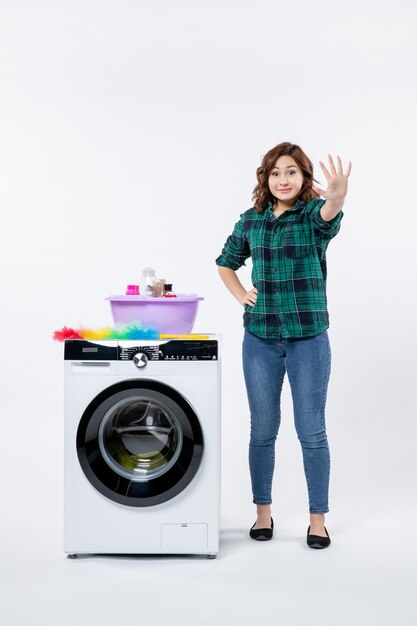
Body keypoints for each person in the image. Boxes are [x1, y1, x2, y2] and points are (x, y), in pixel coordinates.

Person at [216, 141, 351, 549]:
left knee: (311, 431)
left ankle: (317, 520)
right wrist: (241, 294)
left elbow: (330, 212)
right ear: (266, 178)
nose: (283, 179)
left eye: (291, 171)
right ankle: (262, 514)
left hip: (308, 337)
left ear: (304, 176)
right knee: (262, 430)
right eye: (276, 172)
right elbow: (225, 262)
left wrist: (339, 193)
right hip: (259, 337)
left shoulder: (312, 215)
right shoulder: (251, 220)